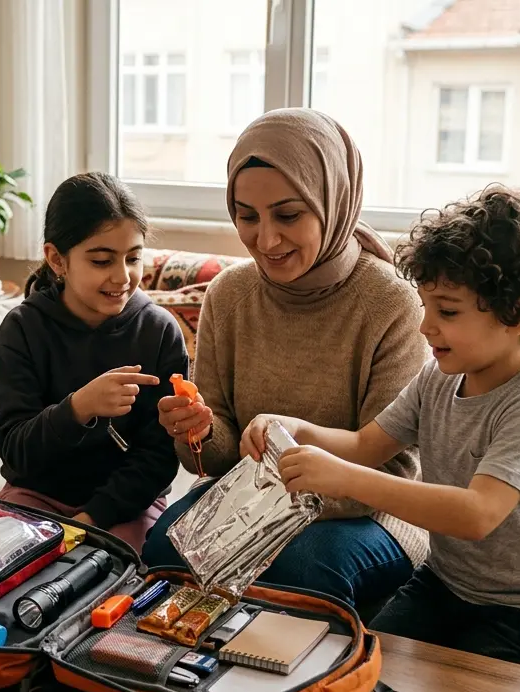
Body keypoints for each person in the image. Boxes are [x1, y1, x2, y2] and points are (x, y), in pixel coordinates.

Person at [275, 186, 520, 670]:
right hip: (447, 584)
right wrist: (295, 428)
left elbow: (476, 515)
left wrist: (340, 477)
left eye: (447, 311)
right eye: (425, 306)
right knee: (362, 669)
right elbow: (364, 445)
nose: (426, 326)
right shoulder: (438, 378)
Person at [141, 109, 429, 608]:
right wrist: (198, 432)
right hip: (251, 501)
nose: (266, 240)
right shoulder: (229, 294)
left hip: (369, 511)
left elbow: (391, 476)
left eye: (289, 214)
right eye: (247, 216)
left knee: (302, 571)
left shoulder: (390, 303)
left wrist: (276, 506)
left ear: (331, 201)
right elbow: (214, 461)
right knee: (163, 546)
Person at [0, 172, 187, 550]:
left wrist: (91, 518)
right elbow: (16, 449)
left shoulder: (159, 331)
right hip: (37, 497)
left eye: (133, 258)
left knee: (113, 579)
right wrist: (79, 408)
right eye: (101, 261)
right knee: (8, 577)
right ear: (57, 259)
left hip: (127, 505)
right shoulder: (22, 328)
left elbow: (159, 459)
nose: (122, 277)